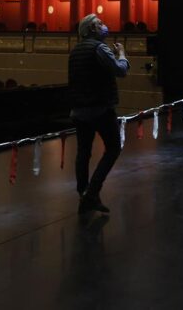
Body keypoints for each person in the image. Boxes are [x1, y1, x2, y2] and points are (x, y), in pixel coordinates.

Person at [69, 13, 129, 215]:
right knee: (113, 148)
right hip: (100, 109)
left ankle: (83, 194)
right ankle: (92, 193)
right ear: (93, 29)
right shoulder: (99, 48)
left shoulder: (75, 50)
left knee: (83, 153)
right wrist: (122, 54)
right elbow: (120, 71)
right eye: (100, 24)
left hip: (79, 110)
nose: (104, 25)